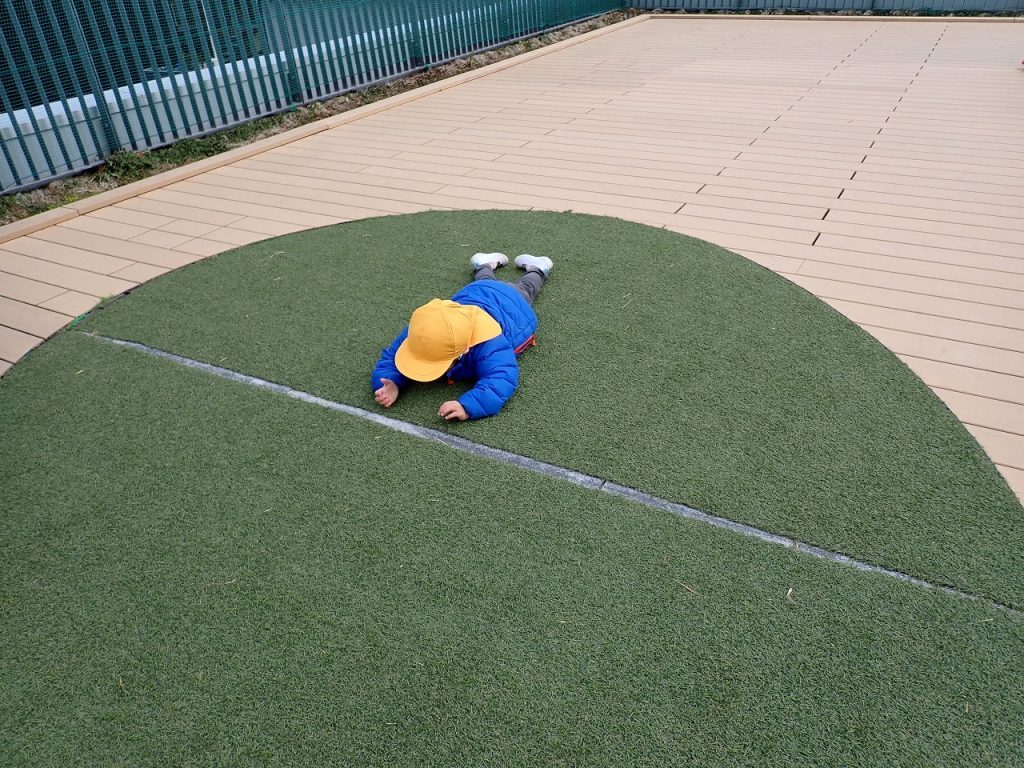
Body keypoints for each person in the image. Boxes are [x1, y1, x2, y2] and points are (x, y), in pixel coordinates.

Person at [372, 252, 553, 420]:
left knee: (526, 288)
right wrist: (391, 383)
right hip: (476, 291)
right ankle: (484, 265)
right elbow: (392, 357)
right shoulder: (421, 328)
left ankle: (537, 268)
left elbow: (502, 377)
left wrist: (467, 406)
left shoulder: (490, 343)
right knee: (485, 282)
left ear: (464, 350)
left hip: (512, 301)